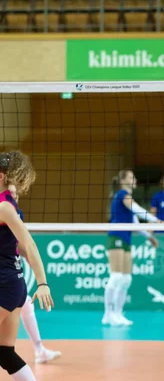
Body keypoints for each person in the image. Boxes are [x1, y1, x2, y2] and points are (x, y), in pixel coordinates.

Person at [0, 151, 54, 381]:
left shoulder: (4, 207)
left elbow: (30, 244)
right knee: (4, 353)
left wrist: (42, 283)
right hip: (13, 284)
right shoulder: (7, 206)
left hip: (4, 285)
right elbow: (20, 247)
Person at [7, 185, 61, 364]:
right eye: (11, 193)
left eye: (16, 194)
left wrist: (33, 263)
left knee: (27, 304)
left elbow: (19, 244)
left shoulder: (16, 213)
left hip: (7, 272)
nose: (14, 197)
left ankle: (39, 350)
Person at [103, 169, 161, 327]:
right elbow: (137, 210)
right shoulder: (122, 194)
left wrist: (149, 237)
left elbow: (134, 222)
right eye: (131, 177)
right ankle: (108, 314)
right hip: (116, 236)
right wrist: (155, 220)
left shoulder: (127, 198)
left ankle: (118, 313)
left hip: (127, 239)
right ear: (123, 180)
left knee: (126, 278)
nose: (134, 179)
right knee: (115, 276)